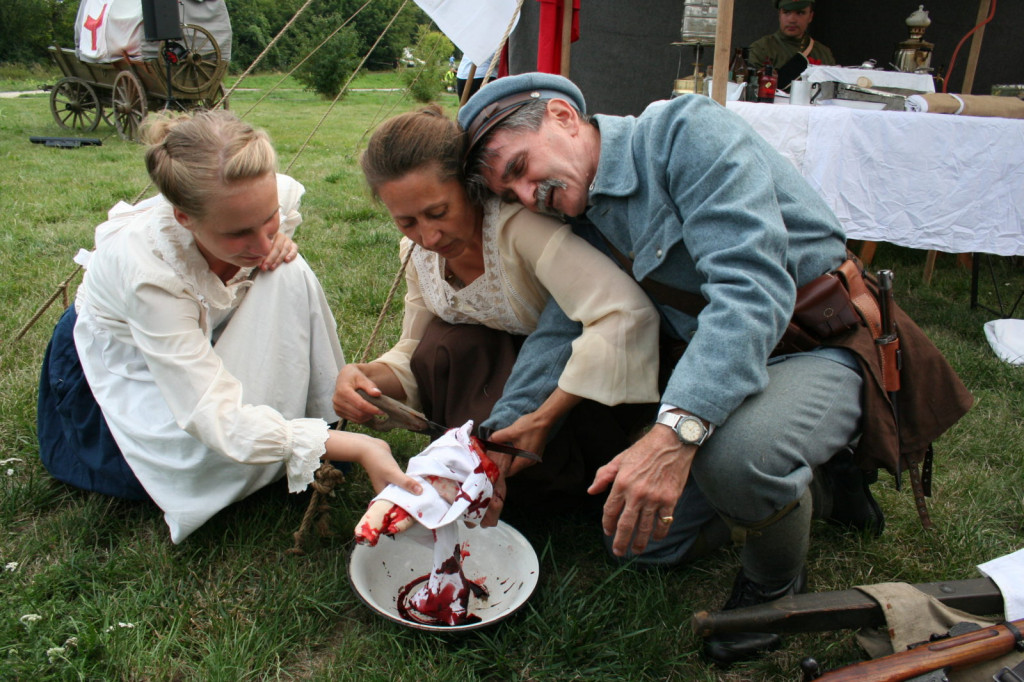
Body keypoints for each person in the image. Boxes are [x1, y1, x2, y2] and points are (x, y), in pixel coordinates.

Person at [457, 73, 972, 664]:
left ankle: (775, 588)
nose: (527, 195)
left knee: (738, 456)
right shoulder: (583, 217)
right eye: (511, 191)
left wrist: (676, 434)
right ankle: (825, 486)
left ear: (564, 117)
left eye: (522, 167)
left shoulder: (685, 134)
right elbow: (564, 324)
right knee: (638, 542)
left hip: (822, 345)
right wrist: (506, 430)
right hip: (733, 372)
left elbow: (750, 291)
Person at [36, 109, 421, 544]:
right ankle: (300, 442)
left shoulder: (260, 203)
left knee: (287, 269)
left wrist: (279, 236)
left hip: (208, 329)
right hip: (135, 362)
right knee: (207, 450)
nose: (260, 244)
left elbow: (266, 229)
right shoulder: (148, 273)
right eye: (239, 233)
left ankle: (311, 428)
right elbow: (211, 415)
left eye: (268, 219)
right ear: (183, 217)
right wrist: (365, 447)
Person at [332, 105, 660, 519]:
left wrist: (544, 418)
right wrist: (364, 379)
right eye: (407, 221)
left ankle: (557, 481)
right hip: (501, 388)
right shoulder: (417, 253)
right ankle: (485, 470)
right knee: (440, 344)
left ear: (469, 188)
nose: (428, 236)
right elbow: (412, 348)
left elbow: (626, 312)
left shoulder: (519, 230)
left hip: (574, 390)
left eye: (438, 213)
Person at [748, 0, 836, 90]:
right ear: (779, 15)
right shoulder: (761, 49)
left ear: (810, 16)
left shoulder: (823, 53)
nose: (792, 20)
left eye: (800, 13)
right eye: (786, 12)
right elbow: (752, 90)